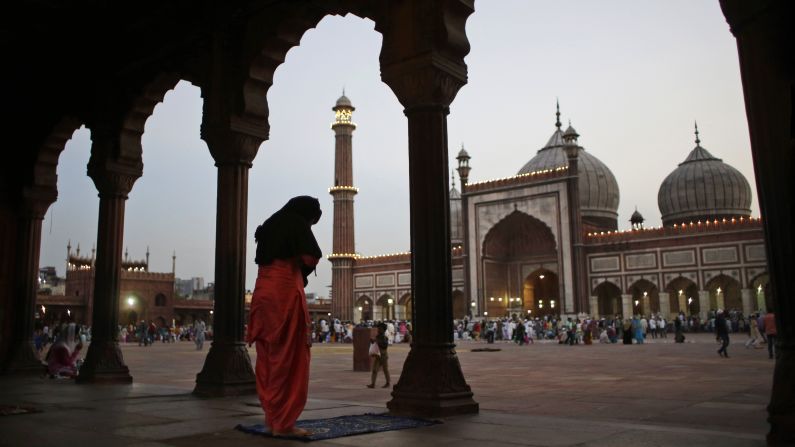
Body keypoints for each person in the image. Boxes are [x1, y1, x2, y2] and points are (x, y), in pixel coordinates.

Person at [246, 196, 322, 438]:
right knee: (291, 358)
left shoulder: (270, 224)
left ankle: (272, 419)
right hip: (285, 292)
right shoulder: (296, 224)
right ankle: (285, 423)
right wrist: (300, 270)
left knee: (268, 357)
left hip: (262, 292)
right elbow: (311, 256)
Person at [367, 322, 391, 389]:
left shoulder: (385, 337)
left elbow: (385, 346)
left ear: (383, 330)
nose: (378, 330)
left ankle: (388, 382)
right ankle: (373, 383)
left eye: (380, 329)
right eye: (378, 329)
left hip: (383, 356)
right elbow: (376, 343)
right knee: (374, 370)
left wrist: (377, 341)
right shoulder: (377, 336)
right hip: (378, 355)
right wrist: (372, 341)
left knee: (385, 369)